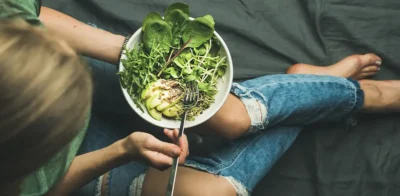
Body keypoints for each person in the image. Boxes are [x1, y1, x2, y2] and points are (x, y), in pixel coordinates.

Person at [1, 1, 400, 196]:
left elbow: (27, 16)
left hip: (65, 58)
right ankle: (310, 90)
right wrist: (120, 151)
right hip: (69, 154)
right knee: (211, 195)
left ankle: (360, 96)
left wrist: (137, 55)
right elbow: (46, 188)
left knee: (231, 119)